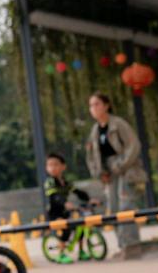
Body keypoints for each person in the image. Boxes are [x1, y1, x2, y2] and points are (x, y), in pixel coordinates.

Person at [84, 92, 146, 258]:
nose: (94, 108)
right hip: (108, 173)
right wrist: (99, 172)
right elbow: (92, 155)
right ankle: (122, 245)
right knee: (113, 207)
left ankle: (132, 246)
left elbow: (133, 146)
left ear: (106, 105)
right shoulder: (95, 130)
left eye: (97, 104)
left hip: (126, 170)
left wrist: (121, 165)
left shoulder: (118, 124)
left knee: (126, 205)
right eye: (91, 105)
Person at [43, 153, 93, 262]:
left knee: (80, 227)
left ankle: (81, 251)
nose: (52, 168)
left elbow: (78, 192)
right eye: (49, 165)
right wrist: (65, 203)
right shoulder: (50, 182)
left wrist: (89, 200)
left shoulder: (66, 182)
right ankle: (61, 254)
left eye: (55, 165)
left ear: (63, 166)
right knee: (65, 230)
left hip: (65, 212)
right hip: (54, 213)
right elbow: (55, 196)